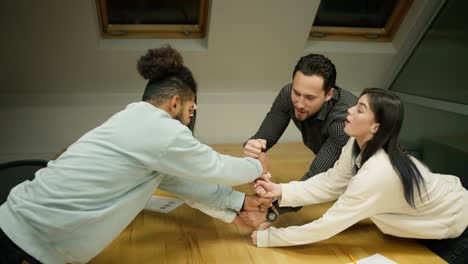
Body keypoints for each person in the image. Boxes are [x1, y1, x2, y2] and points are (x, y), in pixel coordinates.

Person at [0, 46, 271, 264]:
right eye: (190, 111)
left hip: (15, 225)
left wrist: (236, 206)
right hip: (26, 242)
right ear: (175, 102)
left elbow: (182, 183)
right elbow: (216, 167)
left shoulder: (132, 121)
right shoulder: (160, 130)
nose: (189, 122)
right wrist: (257, 164)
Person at [251, 88, 468, 264]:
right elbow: (332, 182)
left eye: (360, 109)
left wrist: (270, 237)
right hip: (429, 222)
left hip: (457, 233)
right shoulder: (356, 144)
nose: (349, 111)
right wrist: (281, 190)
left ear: (376, 127)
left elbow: (328, 225)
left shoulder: (379, 173)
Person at [240, 54, 357, 228]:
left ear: (329, 94)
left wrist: (270, 212)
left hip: (365, 185)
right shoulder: (289, 94)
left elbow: (315, 179)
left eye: (310, 98)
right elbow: (264, 137)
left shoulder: (343, 123)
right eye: (297, 93)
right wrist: (253, 152)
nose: (300, 104)